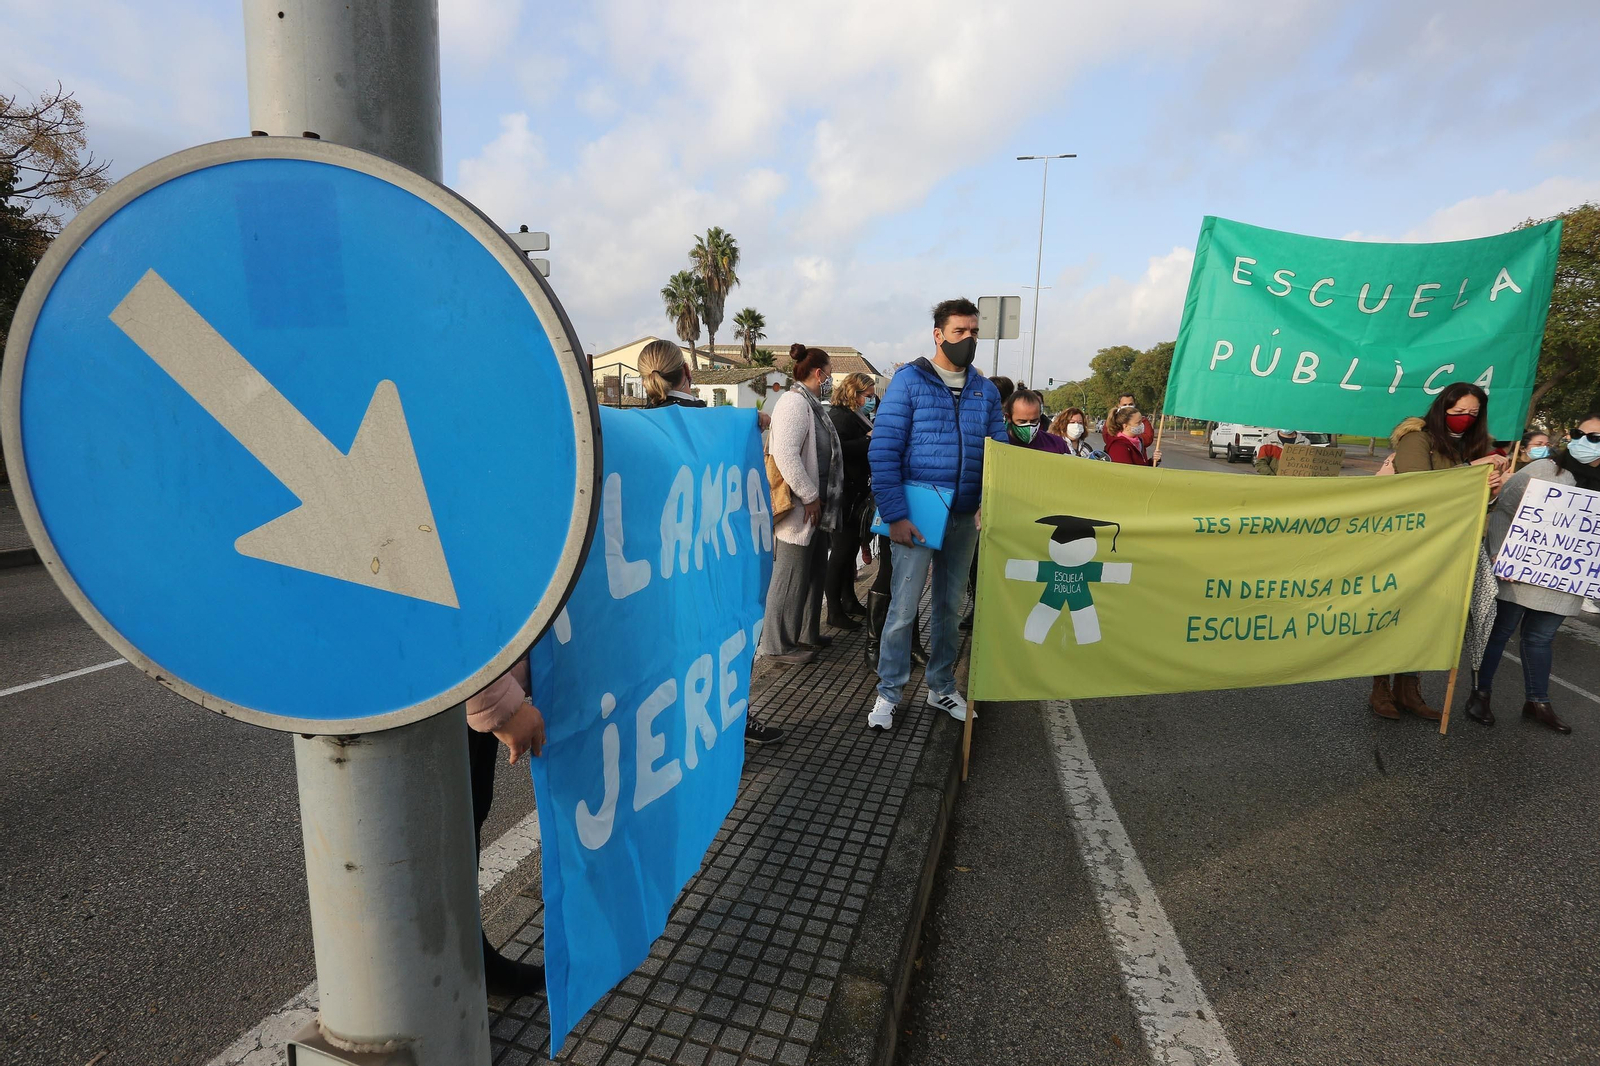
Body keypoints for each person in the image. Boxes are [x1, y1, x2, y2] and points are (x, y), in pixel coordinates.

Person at [866, 298, 1006, 730]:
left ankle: (941, 686)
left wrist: (993, 499)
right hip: (919, 514)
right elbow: (884, 450)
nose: (968, 339)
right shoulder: (909, 382)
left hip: (966, 515)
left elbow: (999, 454)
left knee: (948, 608)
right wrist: (895, 514)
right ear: (938, 334)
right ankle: (889, 693)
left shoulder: (986, 390)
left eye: (974, 331)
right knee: (904, 608)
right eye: (959, 331)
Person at [640, 340, 784, 745]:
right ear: (687, 372)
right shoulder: (716, 425)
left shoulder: (634, 428)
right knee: (723, 642)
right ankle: (733, 720)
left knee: (675, 655)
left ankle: (686, 731)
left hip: (664, 567)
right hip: (714, 563)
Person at [1369, 382, 1509, 721]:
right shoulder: (1417, 438)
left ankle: (1408, 689)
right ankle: (1380, 688)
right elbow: (1420, 485)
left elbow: (1480, 503)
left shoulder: (1477, 446)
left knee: (1425, 618)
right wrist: (1470, 474)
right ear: (1441, 407)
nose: (1464, 418)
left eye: (1472, 414)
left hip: (1450, 546)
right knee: (1394, 614)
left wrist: (1490, 491)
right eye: (1458, 412)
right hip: (1409, 542)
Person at [1464, 413, 1600, 733]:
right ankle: (1480, 694)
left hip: (1564, 580)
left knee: (1541, 638)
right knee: (1498, 632)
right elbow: (1503, 509)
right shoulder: (1544, 470)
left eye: (1594, 438)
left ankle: (1537, 702)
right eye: (1578, 433)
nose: (1582, 441)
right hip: (1520, 572)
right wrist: (1500, 553)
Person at [461, 666, 547, 995]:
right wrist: (497, 705)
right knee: (447, 825)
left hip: (459, 687)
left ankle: (465, 958)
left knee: (468, 811)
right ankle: (455, 970)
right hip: (443, 692)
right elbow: (431, 617)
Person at [759, 344, 843, 666]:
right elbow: (785, 454)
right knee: (791, 573)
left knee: (814, 570)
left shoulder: (811, 404)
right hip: (800, 506)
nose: (831, 379)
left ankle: (806, 632)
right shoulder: (794, 403)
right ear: (818, 373)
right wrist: (808, 495)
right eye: (830, 373)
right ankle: (778, 645)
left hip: (816, 504)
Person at [825, 372, 877, 629]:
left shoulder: (857, 415)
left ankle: (848, 599)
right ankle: (833, 610)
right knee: (841, 552)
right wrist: (868, 441)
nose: (872, 400)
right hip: (844, 496)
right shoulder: (839, 416)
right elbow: (838, 450)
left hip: (857, 494)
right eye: (868, 395)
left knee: (851, 551)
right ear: (853, 393)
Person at [1004, 389, 1069, 454]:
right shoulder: (1001, 444)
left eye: (1034, 421)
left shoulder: (1057, 445)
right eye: (1022, 422)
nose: (1029, 427)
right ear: (1009, 417)